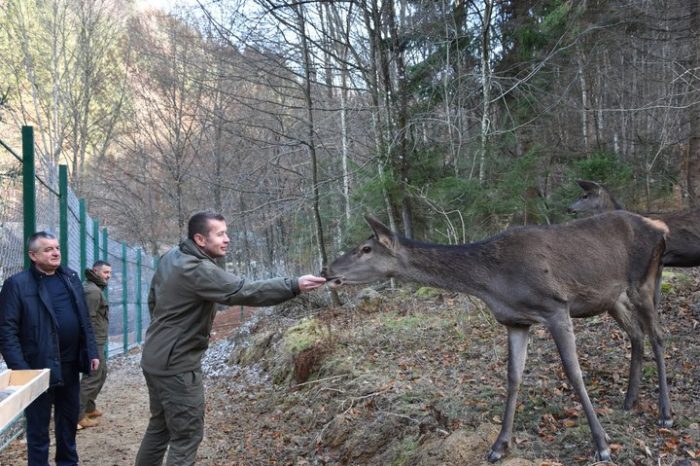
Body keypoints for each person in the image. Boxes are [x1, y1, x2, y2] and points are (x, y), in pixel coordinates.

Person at [135, 211, 326, 466]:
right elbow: (243, 290)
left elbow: (153, 299)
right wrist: (293, 285)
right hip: (176, 365)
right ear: (200, 239)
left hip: (156, 356)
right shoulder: (196, 268)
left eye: (226, 232)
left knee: (160, 428)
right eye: (220, 234)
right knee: (186, 435)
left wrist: (171, 331)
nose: (228, 239)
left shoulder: (172, 256)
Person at [0, 231, 100, 466]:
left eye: (56, 248)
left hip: (70, 366)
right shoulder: (16, 285)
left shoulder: (71, 277)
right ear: (33, 255)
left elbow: (84, 319)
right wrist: (24, 372)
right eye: (48, 249)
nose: (55, 253)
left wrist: (92, 351)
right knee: (38, 431)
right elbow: (6, 332)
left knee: (68, 425)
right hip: (37, 371)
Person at [77, 260, 112, 429]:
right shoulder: (92, 291)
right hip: (93, 341)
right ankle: (78, 416)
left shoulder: (96, 289)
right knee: (93, 377)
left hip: (98, 340)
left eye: (109, 273)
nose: (108, 276)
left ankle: (89, 408)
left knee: (101, 373)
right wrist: (89, 345)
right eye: (105, 272)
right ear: (95, 271)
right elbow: (88, 320)